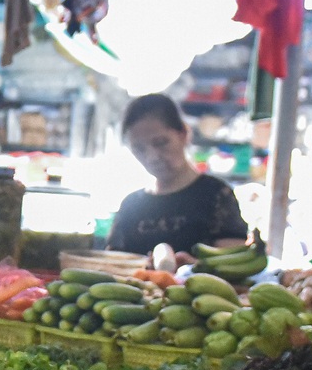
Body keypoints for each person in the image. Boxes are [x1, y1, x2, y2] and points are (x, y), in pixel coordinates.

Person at [106, 92, 249, 259]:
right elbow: (112, 263)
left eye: (161, 143)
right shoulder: (131, 206)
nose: (152, 157)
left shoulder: (216, 195)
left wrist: (194, 268)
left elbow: (234, 263)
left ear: (184, 134)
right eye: (139, 149)